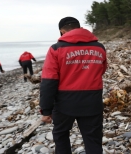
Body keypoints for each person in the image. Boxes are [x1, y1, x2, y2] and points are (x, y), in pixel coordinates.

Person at [40, 16, 107, 154]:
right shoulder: (99, 48)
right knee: (93, 139)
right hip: (92, 101)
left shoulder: (56, 49)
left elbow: (49, 81)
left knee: (61, 136)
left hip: (65, 103)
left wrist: (46, 110)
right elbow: (102, 70)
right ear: (79, 27)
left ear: (62, 31)